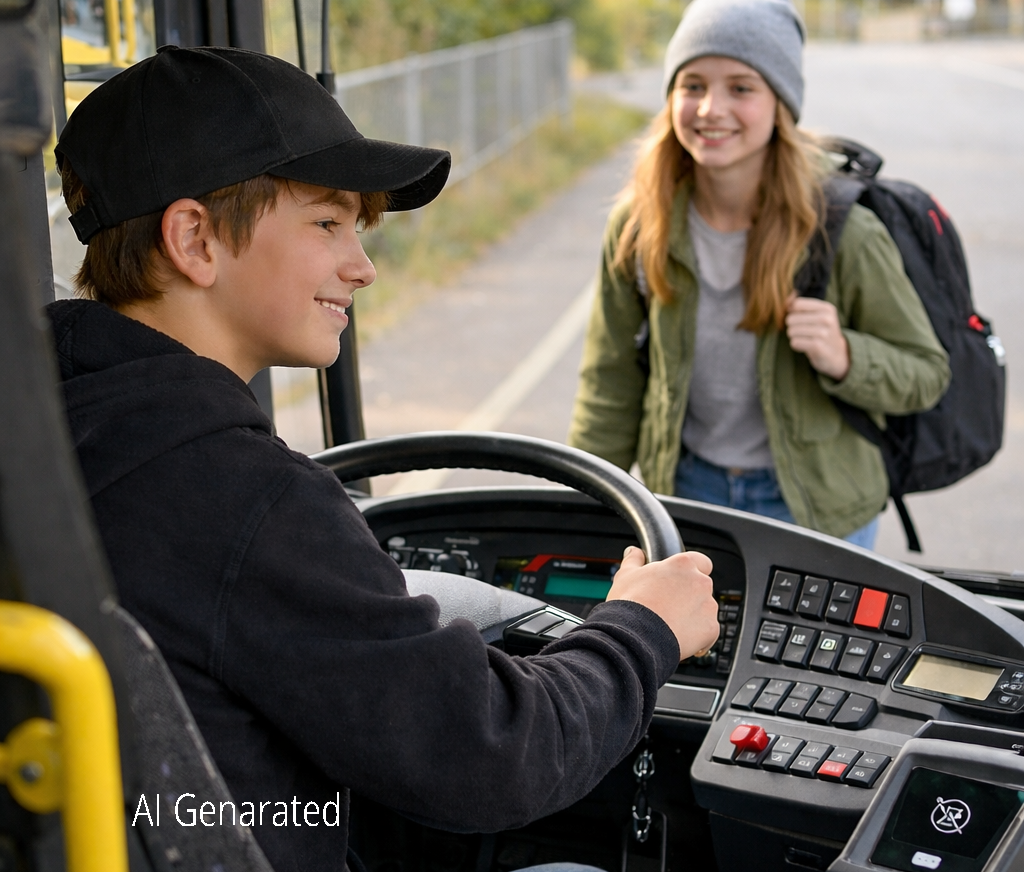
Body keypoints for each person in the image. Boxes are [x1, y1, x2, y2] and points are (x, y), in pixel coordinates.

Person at [48, 46, 720, 872]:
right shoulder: (244, 500)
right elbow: (496, 755)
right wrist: (642, 629)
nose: (361, 267)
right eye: (327, 223)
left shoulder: (49, 437)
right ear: (193, 238)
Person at [567, 0, 950, 550]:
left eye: (741, 88)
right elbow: (609, 383)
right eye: (692, 85)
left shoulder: (843, 230)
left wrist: (846, 356)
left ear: (780, 105)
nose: (710, 108)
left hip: (818, 507)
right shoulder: (639, 223)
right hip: (685, 496)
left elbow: (926, 371)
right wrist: (584, 511)